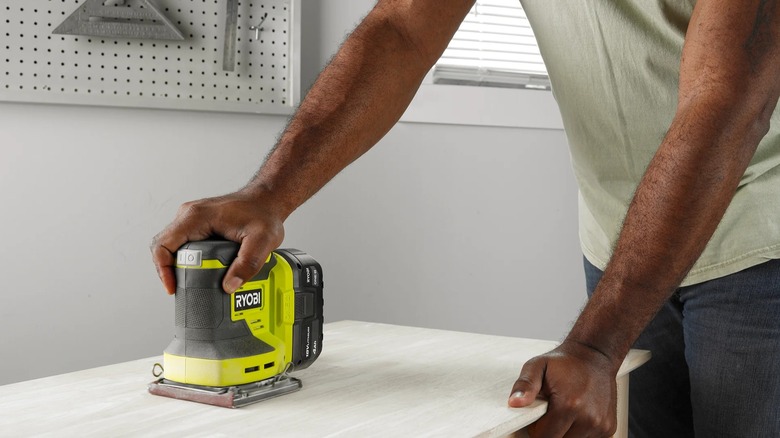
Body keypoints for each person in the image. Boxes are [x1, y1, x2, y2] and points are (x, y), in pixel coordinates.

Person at [151, 1, 780, 436]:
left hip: (762, 240)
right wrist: (269, 193)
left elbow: (725, 105)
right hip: (628, 242)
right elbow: (402, 27)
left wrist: (594, 344)